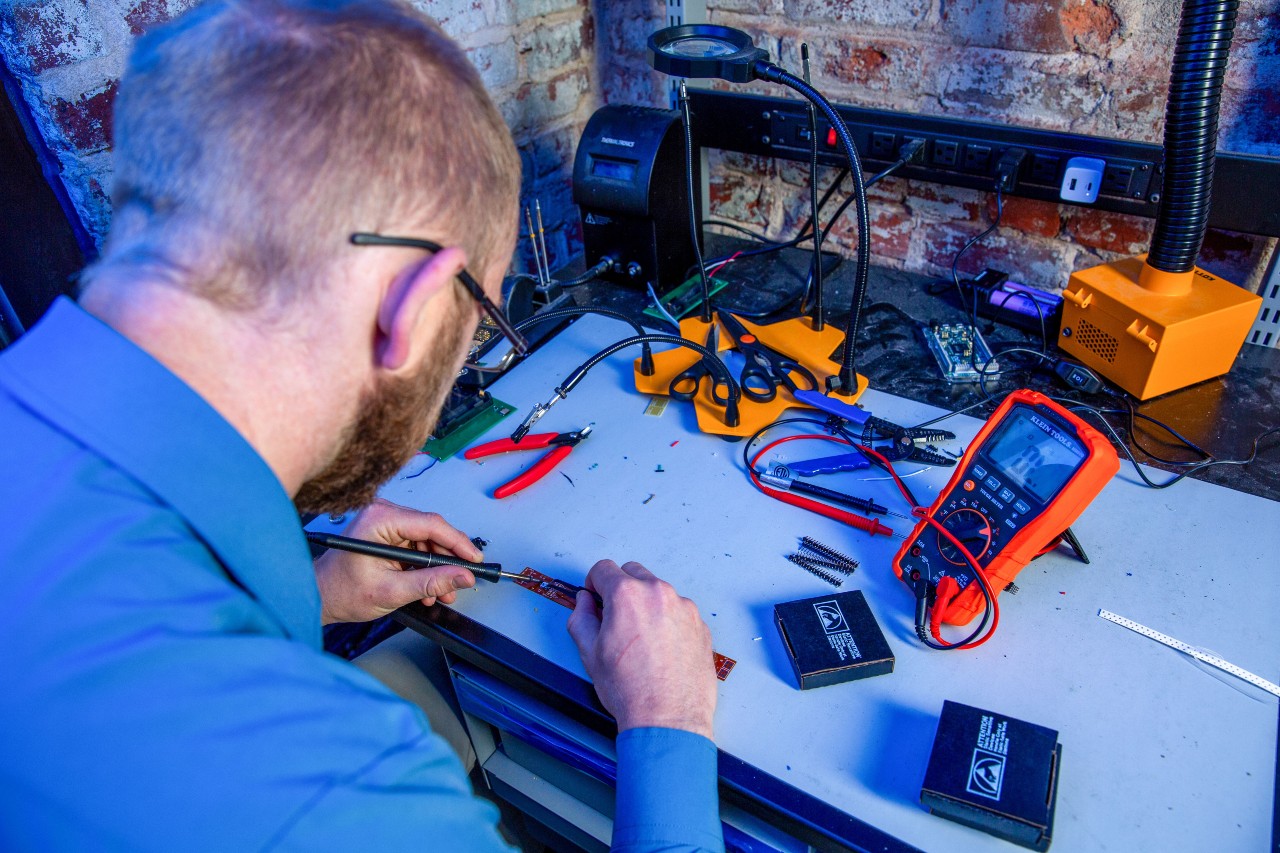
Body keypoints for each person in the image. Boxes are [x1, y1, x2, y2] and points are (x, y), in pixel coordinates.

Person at [0, 1, 722, 849]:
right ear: (411, 307)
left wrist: (314, 596)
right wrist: (670, 721)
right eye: (476, 325)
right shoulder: (334, 797)